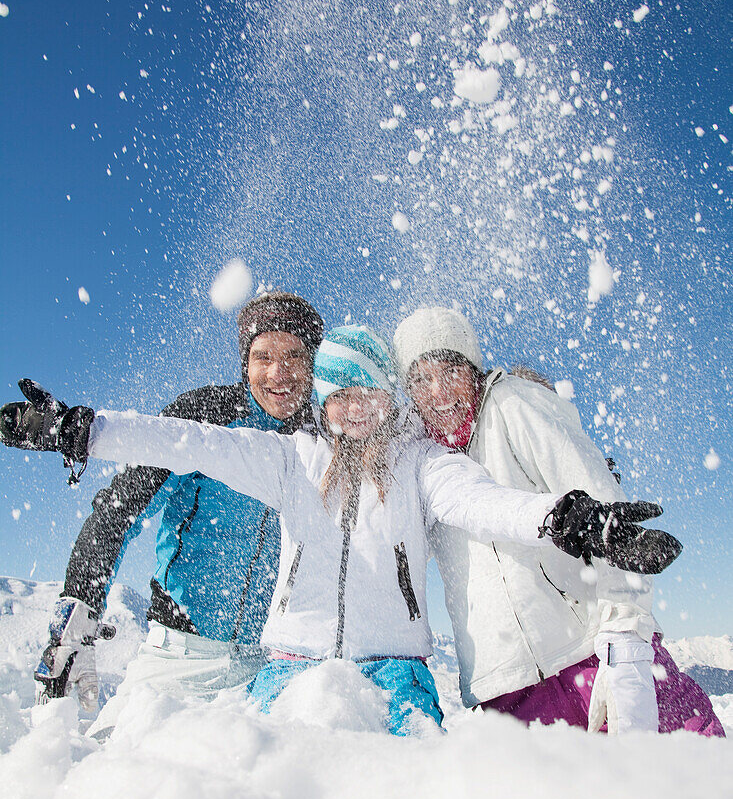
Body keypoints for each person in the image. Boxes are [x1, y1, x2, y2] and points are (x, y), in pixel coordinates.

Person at [1, 326, 682, 737]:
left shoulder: (421, 464)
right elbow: (188, 443)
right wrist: (86, 429)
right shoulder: (287, 459)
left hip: (398, 672)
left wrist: (560, 517)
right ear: (323, 405)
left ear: (388, 399)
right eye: (340, 397)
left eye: (368, 395)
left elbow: (482, 502)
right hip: (290, 668)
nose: (354, 410)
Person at [392, 306, 724, 736]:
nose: (439, 392)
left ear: (474, 369)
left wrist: (625, 639)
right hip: (507, 686)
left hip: (589, 650)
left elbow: (606, 520)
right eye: (420, 379)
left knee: (694, 781)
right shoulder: (419, 460)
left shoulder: (513, 404)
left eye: (451, 369)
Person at [32, 291, 323, 738]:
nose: (278, 372)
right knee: (111, 791)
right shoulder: (203, 417)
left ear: (313, 363)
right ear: (245, 364)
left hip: (273, 670)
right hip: (177, 660)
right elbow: (118, 509)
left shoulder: (325, 438)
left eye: (293, 356)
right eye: (263, 356)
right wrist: (76, 614)